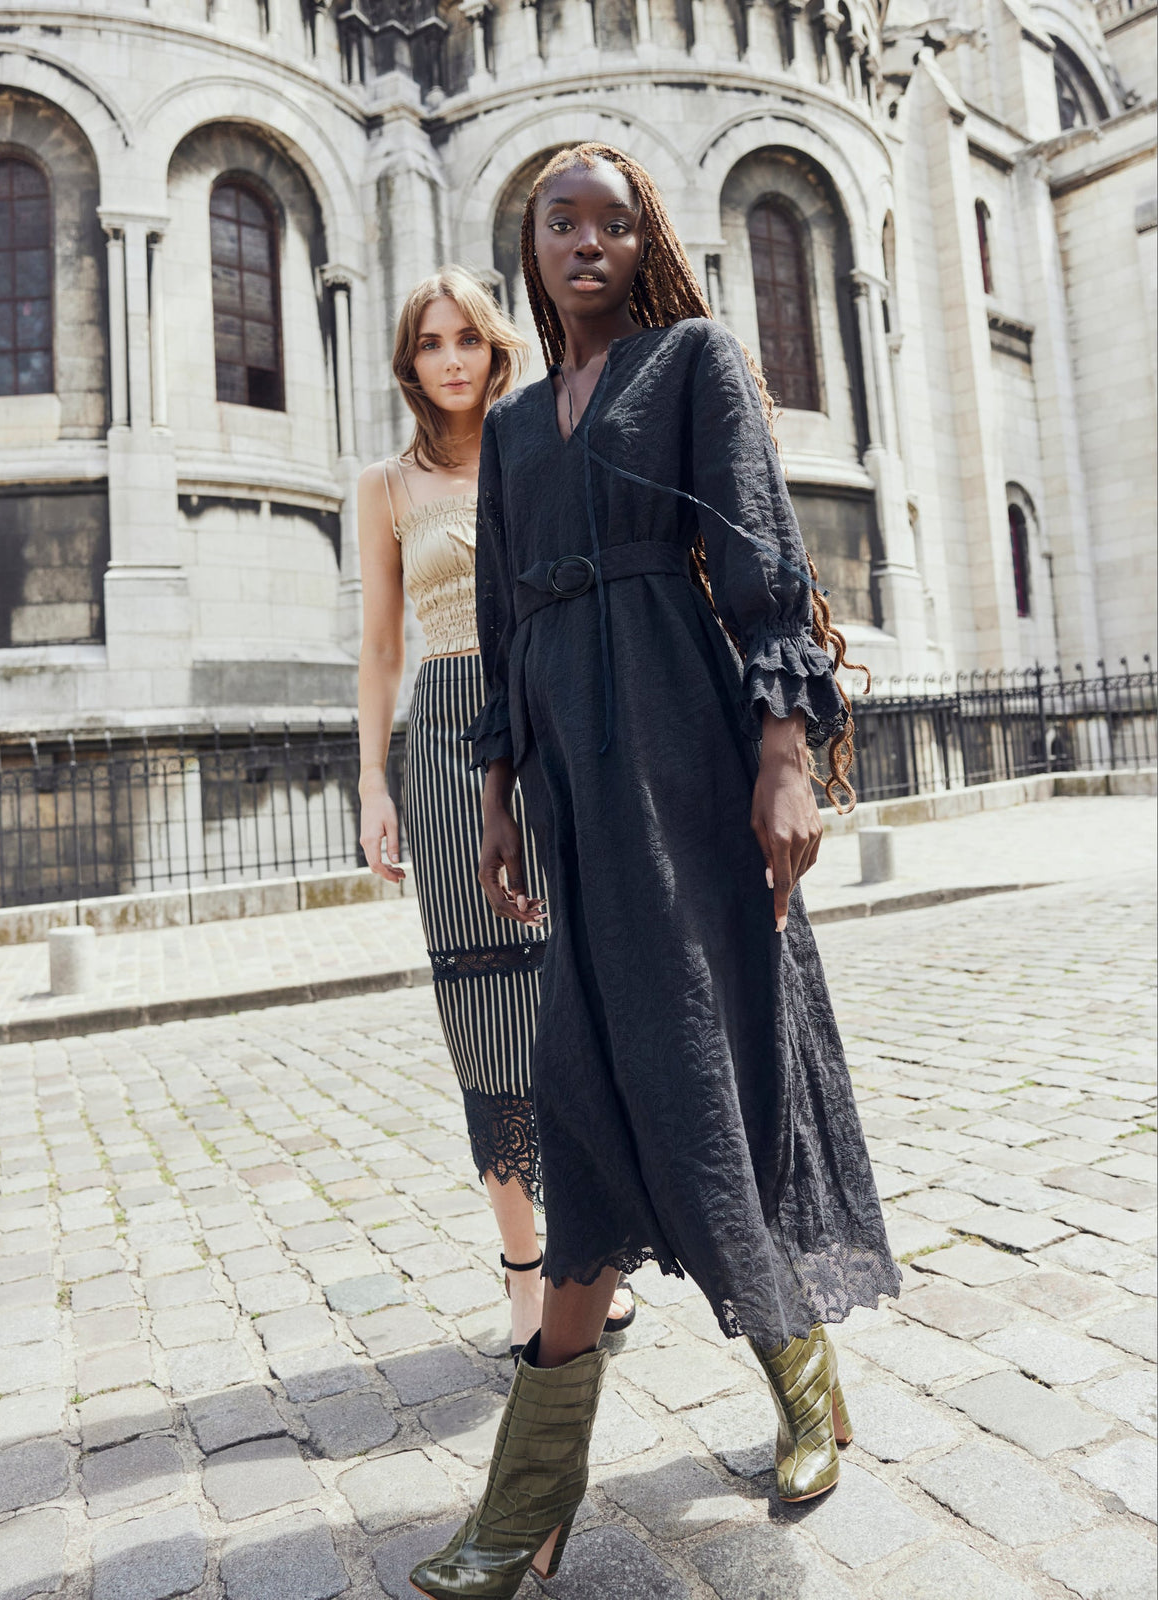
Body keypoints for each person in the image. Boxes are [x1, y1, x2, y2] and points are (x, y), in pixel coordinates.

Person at [410, 150, 898, 1600]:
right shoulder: (504, 434)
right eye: (561, 221)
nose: (587, 241)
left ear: (645, 244)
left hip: (684, 752)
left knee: (708, 1063)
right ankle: (570, 1474)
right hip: (567, 778)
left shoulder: (693, 362)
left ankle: (567, 1485)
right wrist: (496, 790)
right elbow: (499, 622)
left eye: (614, 221)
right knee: (591, 1072)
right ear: (530, 245)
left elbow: (759, 561)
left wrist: (786, 754)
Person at [355, 267, 635, 1360]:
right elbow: (381, 650)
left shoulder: (539, 445)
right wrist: (374, 780)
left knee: (575, 989)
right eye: (431, 342)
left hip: (554, 723)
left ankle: (586, 1253)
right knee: (483, 1014)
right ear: (409, 361)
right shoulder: (382, 486)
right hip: (443, 735)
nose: (453, 358)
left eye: (467, 336)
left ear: (494, 345)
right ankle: (524, 1268)